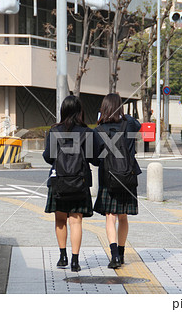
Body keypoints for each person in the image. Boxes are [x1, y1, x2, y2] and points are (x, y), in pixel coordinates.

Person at [43, 96, 100, 272]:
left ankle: (62, 257)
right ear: (79, 111)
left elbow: (48, 157)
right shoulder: (87, 132)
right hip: (79, 181)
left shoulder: (54, 131)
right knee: (76, 220)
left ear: (63, 110)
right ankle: (75, 261)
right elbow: (94, 159)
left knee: (60, 219)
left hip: (58, 181)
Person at [93, 93, 142, 269]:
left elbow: (94, 158)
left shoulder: (98, 131)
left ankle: (114, 256)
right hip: (128, 176)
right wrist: (124, 115)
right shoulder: (128, 124)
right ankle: (121, 254)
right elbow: (138, 124)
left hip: (109, 178)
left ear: (103, 108)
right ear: (120, 108)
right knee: (123, 216)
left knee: (110, 217)